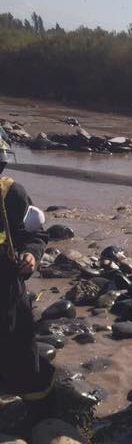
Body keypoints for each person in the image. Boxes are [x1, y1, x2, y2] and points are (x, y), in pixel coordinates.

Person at [0, 131, 58, 427]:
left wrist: (31, 254)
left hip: (6, 288)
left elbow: (34, 234)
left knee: (21, 349)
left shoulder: (12, 194)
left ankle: (40, 414)